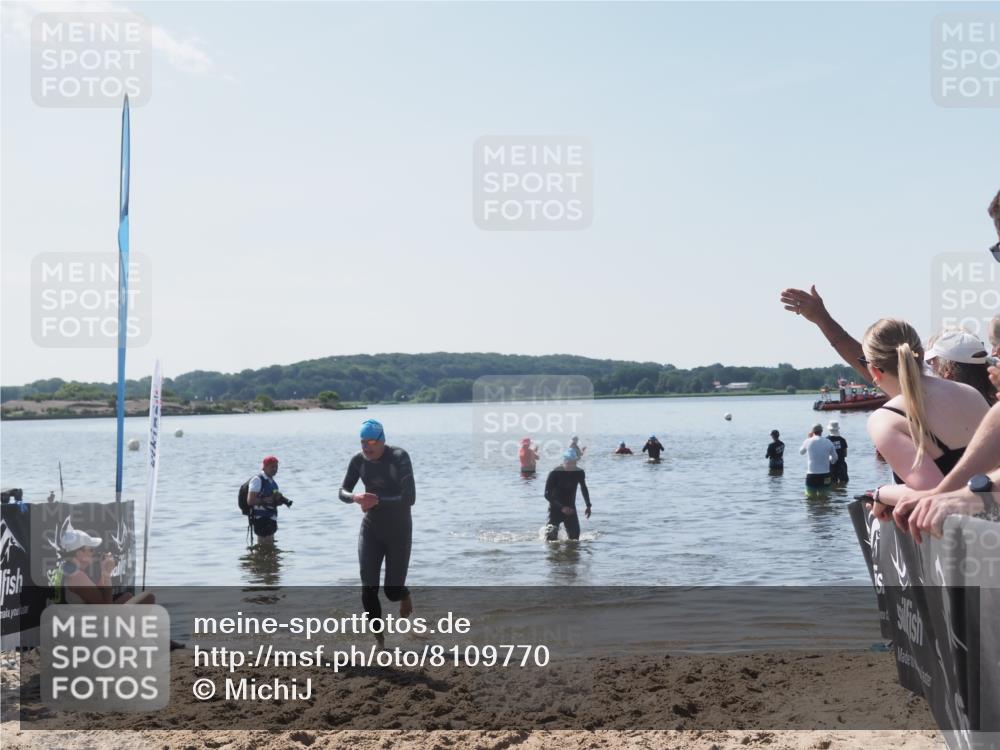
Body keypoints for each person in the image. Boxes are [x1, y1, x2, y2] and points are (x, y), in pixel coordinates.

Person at [858, 319, 989, 523]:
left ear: (874, 370)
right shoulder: (970, 393)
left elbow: (938, 497)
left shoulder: (886, 419)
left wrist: (881, 493)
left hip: (967, 542)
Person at [339, 419, 415, 644]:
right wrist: (355, 498)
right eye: (363, 442)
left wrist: (376, 500)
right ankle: (380, 641)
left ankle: (404, 594)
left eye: (371, 441)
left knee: (392, 591)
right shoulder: (358, 461)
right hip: (371, 528)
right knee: (368, 587)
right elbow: (342, 491)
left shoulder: (399, 457)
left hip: (399, 530)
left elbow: (409, 498)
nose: (366, 447)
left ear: (382, 440)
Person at [925, 328, 996, 406]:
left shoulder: (938, 408)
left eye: (932, 361)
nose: (930, 367)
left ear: (947, 370)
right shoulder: (994, 404)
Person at [543, 449, 592, 541]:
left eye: (573, 463)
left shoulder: (579, 472)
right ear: (564, 461)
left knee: (575, 539)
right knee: (550, 539)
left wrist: (588, 505)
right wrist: (562, 508)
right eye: (569, 463)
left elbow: (584, 488)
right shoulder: (555, 473)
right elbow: (546, 494)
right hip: (556, 507)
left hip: (570, 508)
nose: (571, 466)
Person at [246, 456, 290, 545]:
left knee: (270, 547)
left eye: (276, 467)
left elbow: (271, 502)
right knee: (263, 545)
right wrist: (267, 499)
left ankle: (261, 558)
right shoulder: (257, 479)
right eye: (272, 467)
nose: (275, 469)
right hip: (261, 519)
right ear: (265, 467)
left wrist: (278, 502)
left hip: (271, 518)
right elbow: (250, 500)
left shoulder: (273, 482)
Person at [799, 423, 838, 489]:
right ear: (822, 431)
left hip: (811, 475)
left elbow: (801, 452)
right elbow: (835, 458)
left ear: (812, 431)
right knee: (825, 497)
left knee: (810, 497)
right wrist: (831, 461)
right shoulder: (828, 442)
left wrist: (808, 438)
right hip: (825, 475)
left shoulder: (808, 441)